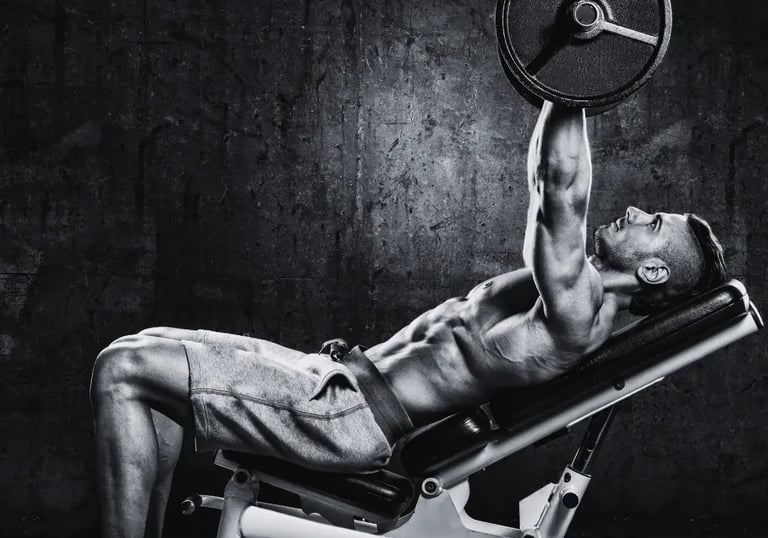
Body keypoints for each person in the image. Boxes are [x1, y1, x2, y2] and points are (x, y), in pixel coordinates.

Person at [89, 103, 727, 538]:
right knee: (143, 350)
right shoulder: (573, 292)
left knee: (122, 370)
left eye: (652, 225)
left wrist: (578, 79)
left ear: (653, 274)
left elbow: (559, 188)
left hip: (344, 415)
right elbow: (547, 181)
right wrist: (564, 77)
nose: (638, 210)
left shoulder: (579, 310)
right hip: (334, 379)